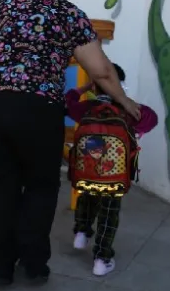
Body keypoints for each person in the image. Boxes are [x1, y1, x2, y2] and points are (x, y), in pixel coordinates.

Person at [0, 0, 141, 287]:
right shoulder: (69, 14)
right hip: (37, 106)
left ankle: (0, 269)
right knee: (40, 184)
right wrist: (124, 101)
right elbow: (102, 70)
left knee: (0, 184)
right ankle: (34, 263)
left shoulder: (7, 5)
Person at [65, 63, 158, 276]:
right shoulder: (128, 111)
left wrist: (83, 88)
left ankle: (81, 232)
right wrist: (125, 100)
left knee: (87, 195)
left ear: (94, 87)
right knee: (109, 212)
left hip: (88, 171)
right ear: (120, 85)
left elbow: (67, 102)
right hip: (115, 175)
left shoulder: (87, 107)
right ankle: (101, 259)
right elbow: (151, 119)